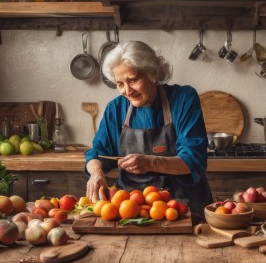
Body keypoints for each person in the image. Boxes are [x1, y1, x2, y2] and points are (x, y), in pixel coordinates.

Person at [84, 41, 213, 217]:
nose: (127, 91)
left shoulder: (184, 99)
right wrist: (96, 173)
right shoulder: (115, 108)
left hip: (183, 209)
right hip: (134, 211)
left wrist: (150, 162)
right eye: (120, 84)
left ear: (153, 73)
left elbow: (192, 159)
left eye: (133, 80)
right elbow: (97, 154)